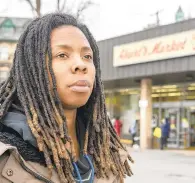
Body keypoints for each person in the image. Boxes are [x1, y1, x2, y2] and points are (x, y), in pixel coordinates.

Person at [0, 13, 133, 183]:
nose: (81, 64)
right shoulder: (5, 158)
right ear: (32, 69)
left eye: (87, 56)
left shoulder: (107, 156)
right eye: (62, 55)